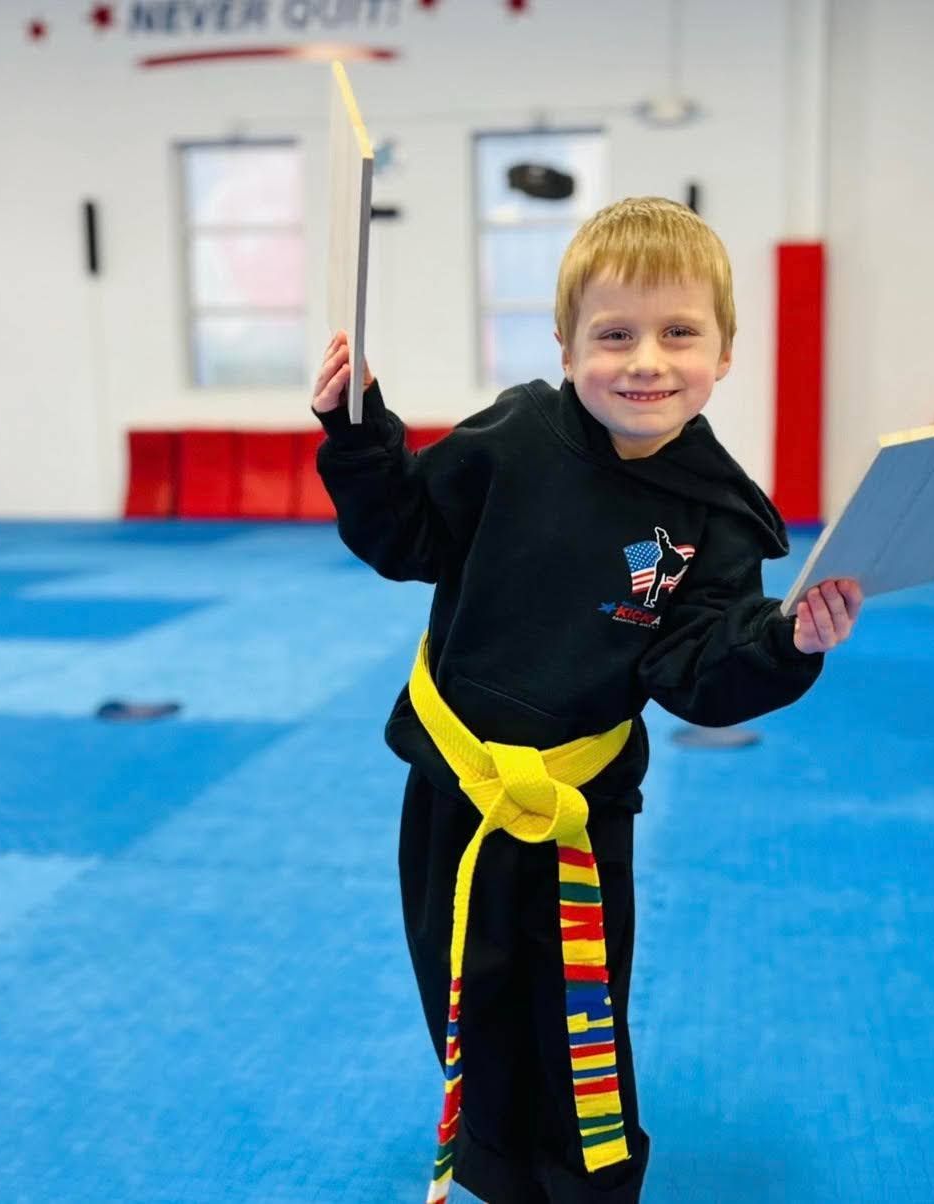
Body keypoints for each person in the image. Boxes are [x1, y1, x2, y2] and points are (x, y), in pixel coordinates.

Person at [311, 196, 863, 1204]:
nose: (645, 360)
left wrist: (788, 642)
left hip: (579, 806)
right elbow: (407, 536)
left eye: (678, 332)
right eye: (614, 333)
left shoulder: (716, 515)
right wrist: (359, 430)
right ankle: (496, 1172)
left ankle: (589, 1187)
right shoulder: (516, 437)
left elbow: (697, 667)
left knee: (582, 1021)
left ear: (725, 352)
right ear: (566, 345)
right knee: (465, 1001)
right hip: (456, 787)